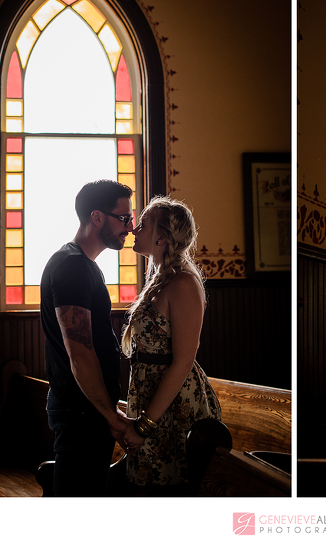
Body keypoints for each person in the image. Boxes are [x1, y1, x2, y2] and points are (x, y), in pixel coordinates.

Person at [120, 195, 222, 495]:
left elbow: (183, 361)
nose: (134, 230)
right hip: (151, 397)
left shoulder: (184, 283)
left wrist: (145, 425)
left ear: (162, 237)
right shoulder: (161, 279)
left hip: (173, 408)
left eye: (143, 224)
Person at [40, 179, 136, 496]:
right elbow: (79, 353)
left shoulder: (85, 265)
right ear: (97, 217)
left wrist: (109, 409)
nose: (130, 226)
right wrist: (110, 415)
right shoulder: (72, 267)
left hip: (88, 409)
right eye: (123, 218)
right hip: (80, 413)